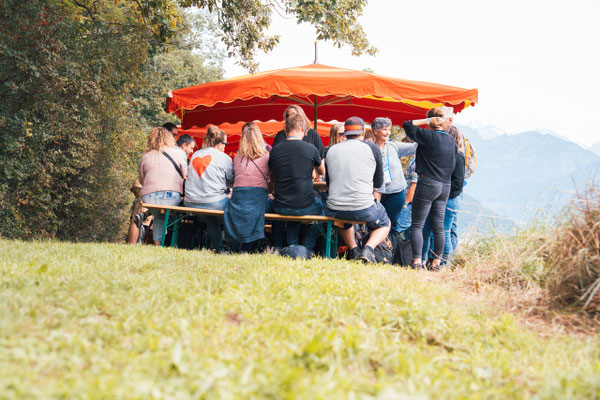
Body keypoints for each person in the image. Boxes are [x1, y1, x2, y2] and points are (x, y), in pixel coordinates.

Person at [325, 116, 390, 263]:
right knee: (385, 222)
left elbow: (329, 183)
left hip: (334, 208)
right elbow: (378, 182)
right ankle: (368, 249)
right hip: (363, 208)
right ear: (363, 132)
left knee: (343, 218)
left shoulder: (330, 150)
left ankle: (354, 249)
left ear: (345, 133)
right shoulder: (372, 147)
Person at [402, 107, 457, 270]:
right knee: (439, 226)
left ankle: (417, 262)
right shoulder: (451, 141)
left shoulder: (428, 136)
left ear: (431, 121)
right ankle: (436, 263)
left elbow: (407, 125)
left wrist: (426, 121)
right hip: (445, 186)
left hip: (427, 183)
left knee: (417, 224)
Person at [269, 112, 325, 252]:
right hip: (303, 205)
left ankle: (293, 247)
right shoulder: (310, 148)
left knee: (294, 212)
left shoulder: (275, 150)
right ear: (302, 128)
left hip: (280, 205)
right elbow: (322, 171)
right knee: (323, 208)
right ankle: (307, 247)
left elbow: (272, 176)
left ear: (285, 129)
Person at [185, 125, 234, 253]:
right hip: (213, 203)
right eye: (225, 144)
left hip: (190, 202)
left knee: (211, 218)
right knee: (237, 210)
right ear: (219, 144)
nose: (225, 147)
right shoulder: (225, 158)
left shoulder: (195, 154)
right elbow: (232, 179)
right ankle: (236, 248)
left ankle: (218, 249)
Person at [421, 125, 466, 264]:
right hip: (439, 197)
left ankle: (442, 264)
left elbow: (458, 184)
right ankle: (425, 261)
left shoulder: (458, 156)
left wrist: (442, 193)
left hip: (448, 199)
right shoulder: (447, 155)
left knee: (444, 232)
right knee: (428, 230)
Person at [224, 122, 271, 252]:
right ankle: (267, 245)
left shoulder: (237, 158)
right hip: (258, 198)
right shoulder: (267, 157)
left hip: (238, 198)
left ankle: (236, 248)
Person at [138, 127, 186, 246]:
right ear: (169, 138)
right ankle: (173, 243)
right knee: (173, 215)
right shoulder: (177, 153)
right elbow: (184, 174)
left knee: (159, 216)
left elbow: (141, 180)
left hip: (149, 198)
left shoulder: (146, 156)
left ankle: (157, 244)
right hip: (170, 197)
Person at [371, 117, 417, 234]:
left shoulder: (393, 146)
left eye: (389, 130)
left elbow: (415, 147)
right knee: (376, 223)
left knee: (392, 224)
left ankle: (390, 245)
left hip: (396, 193)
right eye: (385, 129)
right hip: (377, 193)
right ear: (375, 131)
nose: (388, 133)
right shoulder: (370, 148)